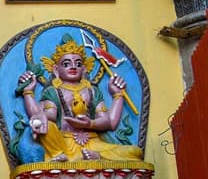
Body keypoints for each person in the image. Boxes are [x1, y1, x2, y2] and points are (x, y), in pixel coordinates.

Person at [17, 34, 142, 163]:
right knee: (46, 125)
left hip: (93, 143)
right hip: (63, 144)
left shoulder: (92, 91)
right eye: (66, 64)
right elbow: (50, 115)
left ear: (84, 69)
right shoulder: (53, 91)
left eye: (78, 63)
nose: (73, 67)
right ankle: (60, 155)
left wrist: (117, 95)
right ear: (56, 70)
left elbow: (110, 122)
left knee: (135, 152)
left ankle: (97, 157)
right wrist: (28, 92)